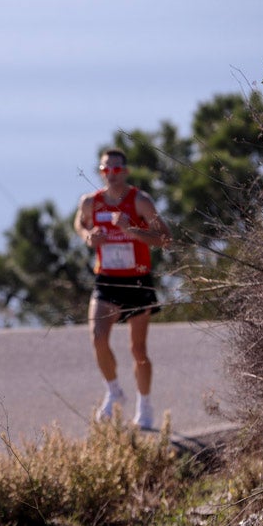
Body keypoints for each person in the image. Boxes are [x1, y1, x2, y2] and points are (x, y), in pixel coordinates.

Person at [74, 148, 173, 428]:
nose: (112, 174)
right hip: (106, 278)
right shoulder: (90, 202)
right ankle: (114, 390)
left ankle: (145, 405)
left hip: (137, 280)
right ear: (101, 172)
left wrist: (133, 231)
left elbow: (165, 238)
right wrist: (87, 236)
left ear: (126, 171)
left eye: (117, 169)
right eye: (107, 170)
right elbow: (79, 224)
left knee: (137, 349)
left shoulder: (139, 201)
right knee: (97, 336)